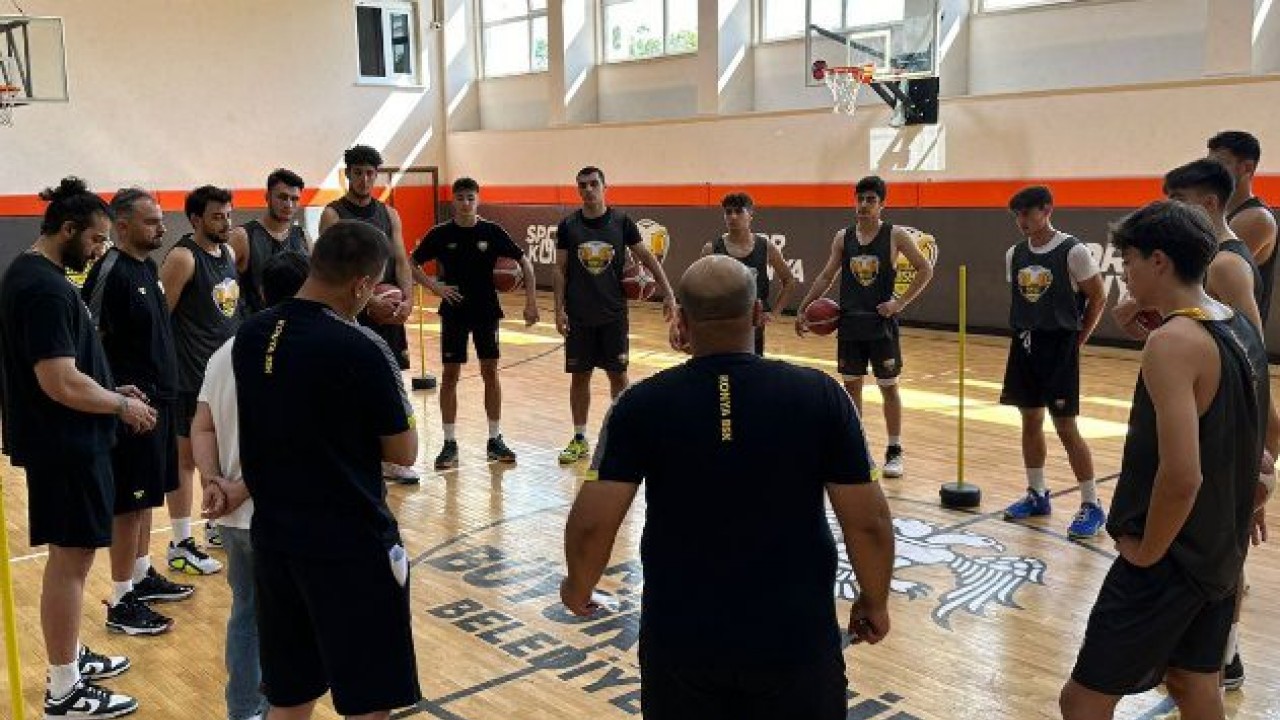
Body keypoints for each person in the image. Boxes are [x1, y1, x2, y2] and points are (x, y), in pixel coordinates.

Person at [563, 255, 895, 720]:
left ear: (681, 321)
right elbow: (870, 523)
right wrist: (874, 600)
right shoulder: (823, 396)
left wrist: (578, 584)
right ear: (758, 314)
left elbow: (593, 524)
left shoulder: (639, 404)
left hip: (682, 648)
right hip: (796, 643)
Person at [1059, 200, 1270, 720]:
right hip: (1218, 550)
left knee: (1082, 701)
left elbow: (1181, 477)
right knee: (1194, 684)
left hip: (1169, 556)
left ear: (1158, 261)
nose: (1125, 274)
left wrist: (1148, 552)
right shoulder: (1238, 325)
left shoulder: (1173, 343)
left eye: (1129, 261)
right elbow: (1260, 439)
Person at [233, 220, 421, 719]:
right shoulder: (360, 346)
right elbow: (404, 451)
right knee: (369, 702)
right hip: (349, 546)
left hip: (274, 541)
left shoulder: (251, 335)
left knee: (289, 698)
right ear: (361, 285)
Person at [0, 177, 157, 718]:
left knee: (71, 559)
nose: (98, 251)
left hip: (67, 442)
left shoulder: (36, 276)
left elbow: (70, 369)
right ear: (67, 230)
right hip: (66, 446)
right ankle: (64, 689)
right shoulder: (43, 288)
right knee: (70, 561)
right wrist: (120, 406)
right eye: (94, 240)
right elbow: (59, 381)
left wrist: (111, 388)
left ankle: (67, 657)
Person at [194, 250, 310, 720]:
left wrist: (212, 483)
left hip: (231, 517)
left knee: (245, 614)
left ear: (261, 292)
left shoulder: (225, 351)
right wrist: (242, 488)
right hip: (276, 514)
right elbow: (289, 438)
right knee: (292, 624)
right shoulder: (296, 352)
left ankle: (243, 711)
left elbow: (201, 426)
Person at [82, 188, 195, 638]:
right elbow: (87, 341)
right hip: (130, 408)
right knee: (128, 505)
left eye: (161, 219)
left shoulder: (148, 267)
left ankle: (142, 573)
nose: (161, 228)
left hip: (160, 402)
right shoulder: (110, 271)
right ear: (123, 225)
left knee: (147, 498)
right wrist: (113, 397)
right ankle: (121, 597)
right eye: (151, 221)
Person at [794, 175, 934, 478]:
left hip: (881, 325)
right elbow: (826, 276)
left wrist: (899, 303)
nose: (864, 205)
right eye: (860, 199)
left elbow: (925, 268)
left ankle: (894, 449)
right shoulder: (843, 237)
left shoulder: (895, 235)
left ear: (882, 204)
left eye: (871, 200)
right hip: (850, 325)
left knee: (889, 387)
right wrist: (804, 307)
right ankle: (858, 446)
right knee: (851, 388)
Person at [995, 186, 1108, 539]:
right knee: (1030, 421)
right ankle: (1037, 494)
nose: (1021, 221)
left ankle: (1092, 503)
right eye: (1017, 215)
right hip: (1024, 344)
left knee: (1065, 427)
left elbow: (1098, 296)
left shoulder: (1073, 251)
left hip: (1059, 346)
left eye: (1027, 213)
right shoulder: (1015, 254)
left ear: (1046, 210)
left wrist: (1078, 339)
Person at [410, 177, 538, 470]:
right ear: (453, 201)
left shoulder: (492, 232)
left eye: (470, 197)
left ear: (477, 200)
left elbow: (525, 263)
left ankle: (494, 439)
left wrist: (531, 302)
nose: (466, 203)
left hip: (486, 311)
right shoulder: (440, 233)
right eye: (460, 198)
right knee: (450, 375)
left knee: (490, 373)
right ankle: (449, 443)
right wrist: (435, 287)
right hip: (454, 310)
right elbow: (411, 262)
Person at [553, 166, 676, 465]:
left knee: (618, 375)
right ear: (578, 190)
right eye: (582, 185)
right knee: (579, 377)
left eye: (593, 184)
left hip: (613, 315)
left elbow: (646, 257)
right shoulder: (568, 225)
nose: (588, 189)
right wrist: (558, 309)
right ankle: (580, 438)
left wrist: (669, 293)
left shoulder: (622, 223)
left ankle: (623, 433)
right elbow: (559, 269)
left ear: (605, 187)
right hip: (580, 315)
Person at [320, 144, 421, 484]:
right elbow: (329, 270)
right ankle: (353, 455)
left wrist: (407, 300)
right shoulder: (333, 214)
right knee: (350, 385)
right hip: (350, 313)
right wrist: (368, 302)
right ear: (347, 175)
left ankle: (393, 457)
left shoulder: (389, 214)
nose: (364, 179)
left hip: (388, 312)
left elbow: (401, 261)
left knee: (390, 381)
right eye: (358, 173)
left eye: (370, 173)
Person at [160, 184, 242, 574]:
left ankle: (214, 522)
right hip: (188, 377)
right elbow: (159, 319)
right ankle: (180, 543)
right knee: (185, 459)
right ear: (195, 219)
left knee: (220, 452)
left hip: (223, 376)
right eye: (217, 216)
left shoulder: (228, 253)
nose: (226, 223)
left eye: (228, 215)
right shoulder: (182, 258)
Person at [702, 192, 797, 355]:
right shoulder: (711, 248)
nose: (733, 216)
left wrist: (774, 314)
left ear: (750, 215)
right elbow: (698, 288)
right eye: (728, 212)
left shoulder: (765, 247)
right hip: (722, 326)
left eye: (739, 211)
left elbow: (789, 281)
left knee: (751, 369)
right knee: (723, 371)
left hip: (753, 329)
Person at [1207, 131, 1278, 323]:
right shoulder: (1217, 212)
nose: (1211, 173)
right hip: (1214, 327)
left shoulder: (1255, 218)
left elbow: (1205, 277)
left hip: (1235, 335)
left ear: (1247, 168)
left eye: (1220, 164)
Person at [230, 168, 310, 315]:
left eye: (294, 199)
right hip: (255, 323)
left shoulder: (302, 236)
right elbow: (219, 284)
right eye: (283, 197)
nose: (288, 204)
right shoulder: (242, 236)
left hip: (295, 322)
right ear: (267, 197)